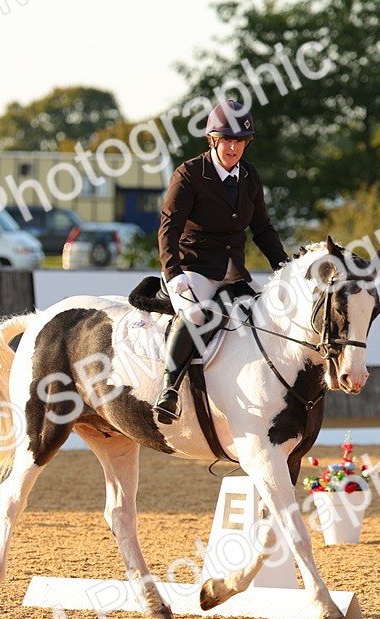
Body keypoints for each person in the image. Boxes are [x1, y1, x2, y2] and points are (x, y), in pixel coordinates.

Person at [152, 99, 288, 422]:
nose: (233, 147)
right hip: (195, 267)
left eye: (240, 141)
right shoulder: (189, 174)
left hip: (234, 271)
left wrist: (285, 266)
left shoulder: (250, 177)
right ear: (213, 139)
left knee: (265, 315)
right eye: (227, 140)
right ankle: (169, 388)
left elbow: (263, 229)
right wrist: (173, 274)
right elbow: (168, 228)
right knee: (197, 314)